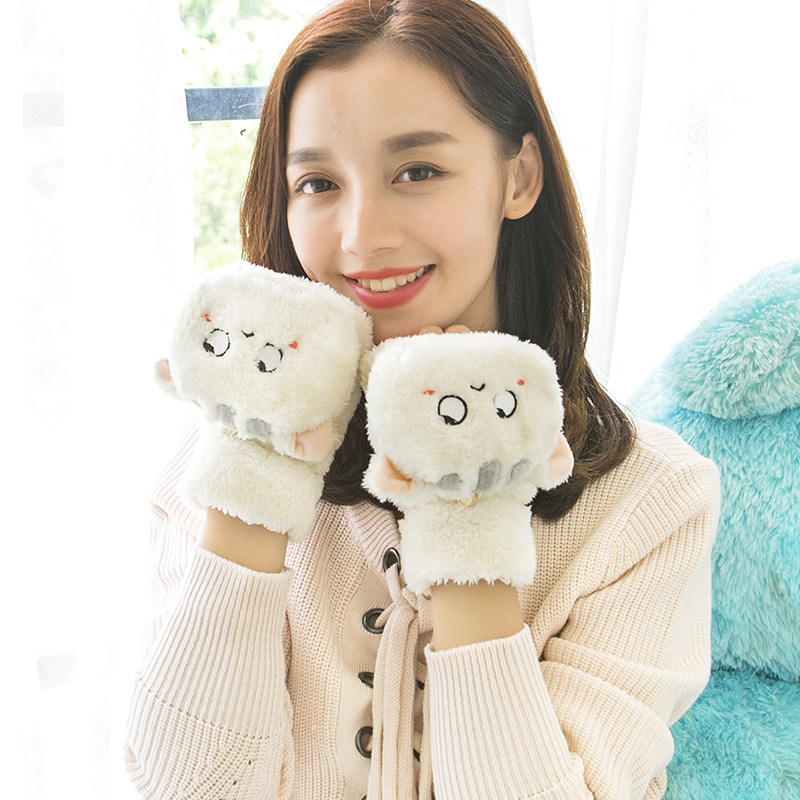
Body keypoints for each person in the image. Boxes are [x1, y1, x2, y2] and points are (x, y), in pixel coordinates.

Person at [125, 1, 720, 798]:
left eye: (417, 171)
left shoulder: (652, 500)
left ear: (520, 177)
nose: (362, 237)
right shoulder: (206, 468)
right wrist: (255, 475)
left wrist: (465, 504)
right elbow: (188, 788)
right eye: (318, 183)